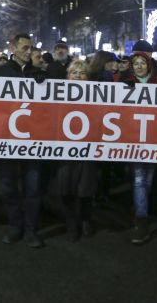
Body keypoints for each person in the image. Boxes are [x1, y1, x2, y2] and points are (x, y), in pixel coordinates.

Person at [0, 33, 46, 248]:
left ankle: (31, 230)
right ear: (13, 48)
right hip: (7, 142)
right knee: (10, 187)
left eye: (30, 48)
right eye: (24, 48)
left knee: (32, 189)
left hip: (33, 143)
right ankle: (15, 227)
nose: (28, 52)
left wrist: (44, 84)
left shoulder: (38, 74)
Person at [121, 51, 157, 244]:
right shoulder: (125, 84)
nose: (139, 66)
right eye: (136, 63)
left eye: (142, 63)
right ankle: (142, 222)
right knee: (140, 179)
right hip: (134, 137)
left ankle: (140, 207)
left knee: (148, 179)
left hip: (155, 137)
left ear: (149, 65)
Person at [50, 60, 98, 241]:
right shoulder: (57, 95)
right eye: (74, 72)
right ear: (67, 76)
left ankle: (85, 219)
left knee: (85, 188)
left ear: (88, 77)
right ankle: (71, 224)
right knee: (66, 187)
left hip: (88, 148)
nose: (77, 76)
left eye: (82, 73)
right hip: (64, 149)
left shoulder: (97, 96)